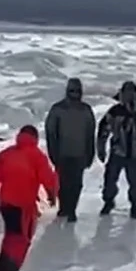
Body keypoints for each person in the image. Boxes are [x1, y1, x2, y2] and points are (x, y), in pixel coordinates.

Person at [0, 125, 59, 271]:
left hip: (6, 203)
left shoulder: (7, 154)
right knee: (20, 241)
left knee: (10, 236)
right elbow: (48, 177)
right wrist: (52, 193)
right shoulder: (37, 156)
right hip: (23, 206)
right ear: (35, 138)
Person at [96, 81, 136, 219]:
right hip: (118, 151)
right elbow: (103, 130)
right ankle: (108, 201)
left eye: (132, 93)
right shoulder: (115, 112)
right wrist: (101, 149)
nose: (129, 96)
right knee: (110, 179)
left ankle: (135, 206)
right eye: (127, 93)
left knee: (135, 182)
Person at [42, 78, 96, 222]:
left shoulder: (86, 110)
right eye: (72, 90)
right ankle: (64, 207)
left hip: (80, 153)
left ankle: (72, 209)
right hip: (62, 153)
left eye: (77, 91)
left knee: (76, 184)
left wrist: (90, 153)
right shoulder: (58, 109)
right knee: (63, 184)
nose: (75, 94)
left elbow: (90, 134)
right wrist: (53, 153)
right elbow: (50, 132)